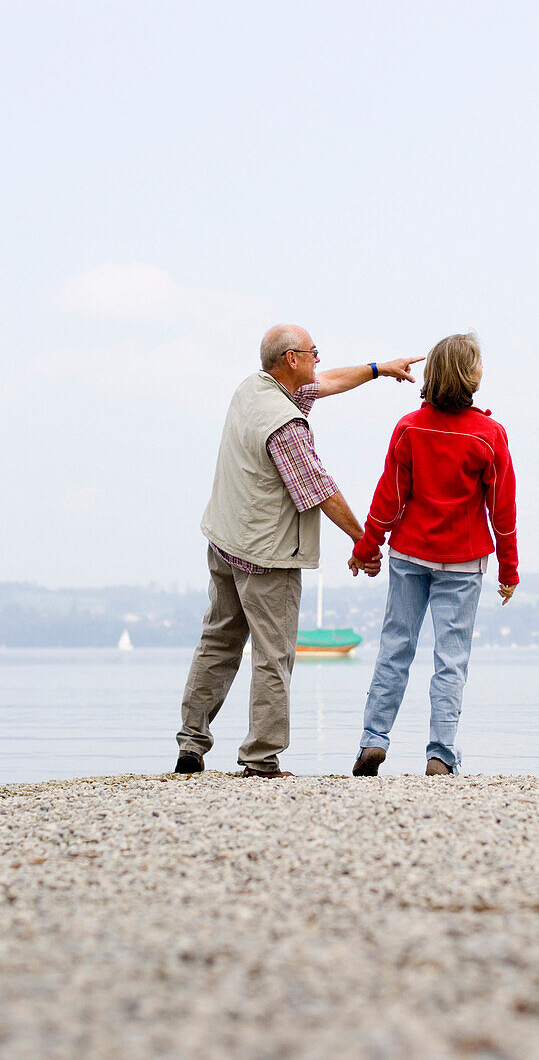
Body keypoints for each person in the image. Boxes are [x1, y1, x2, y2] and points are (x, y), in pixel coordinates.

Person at [175, 325, 422, 777]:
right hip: (266, 554)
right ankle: (260, 759)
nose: (318, 360)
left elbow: (323, 384)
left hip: (225, 538)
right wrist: (364, 540)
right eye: (313, 353)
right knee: (274, 654)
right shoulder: (285, 424)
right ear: (292, 358)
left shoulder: (253, 389)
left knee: (218, 641)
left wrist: (377, 370)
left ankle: (191, 746)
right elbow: (319, 490)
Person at [348, 331, 518, 776]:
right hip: (463, 562)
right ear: (470, 375)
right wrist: (509, 568)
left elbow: (389, 497)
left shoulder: (410, 428)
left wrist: (367, 547)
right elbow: (502, 509)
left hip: (408, 554)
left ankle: (373, 739)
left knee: (395, 647)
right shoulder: (490, 435)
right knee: (451, 658)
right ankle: (440, 754)